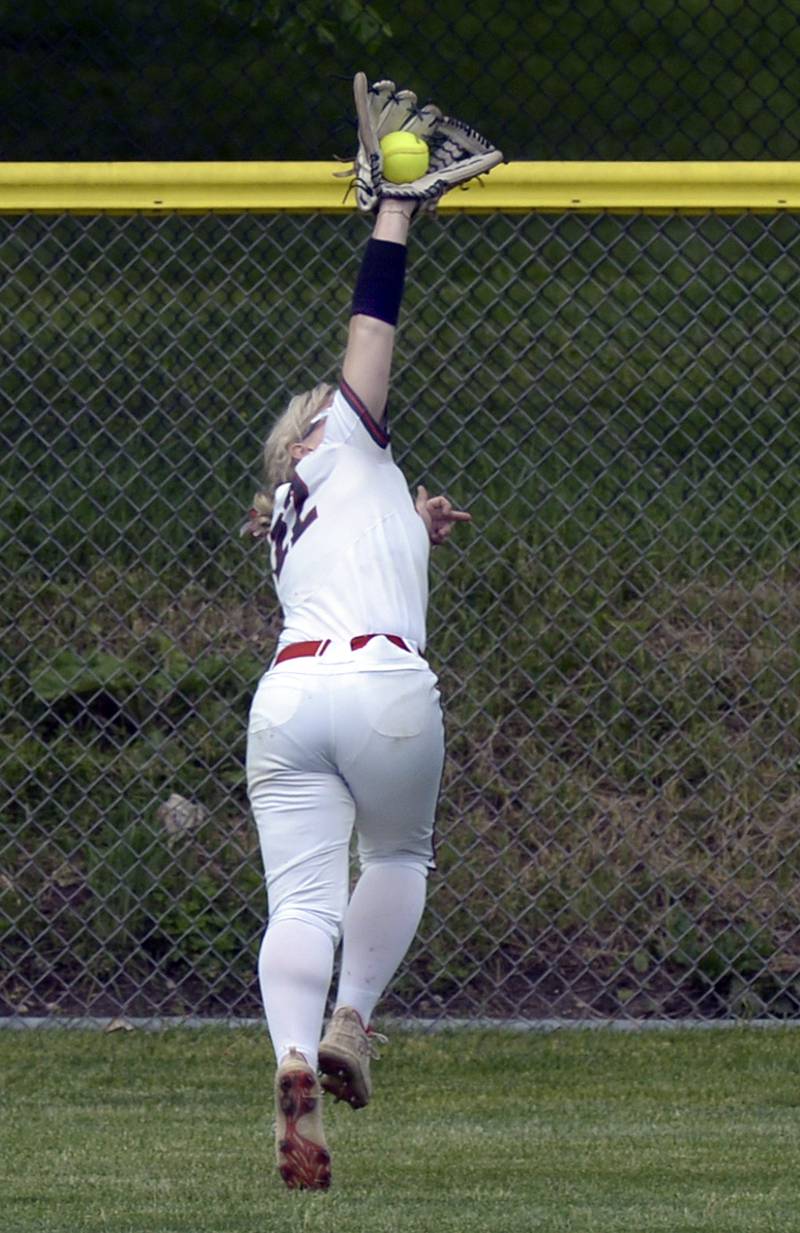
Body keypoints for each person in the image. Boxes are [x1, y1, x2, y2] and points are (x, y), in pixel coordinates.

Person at [241, 74, 501, 1193]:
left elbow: (366, 541)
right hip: (383, 689)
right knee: (396, 855)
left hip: (289, 696)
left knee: (298, 902)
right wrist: (393, 212)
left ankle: (294, 1061)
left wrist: (414, 521)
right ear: (307, 435)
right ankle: (353, 1020)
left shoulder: (300, 510)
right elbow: (372, 324)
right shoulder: (337, 441)